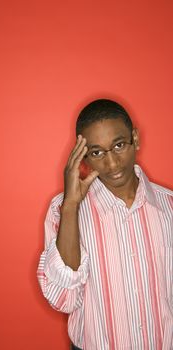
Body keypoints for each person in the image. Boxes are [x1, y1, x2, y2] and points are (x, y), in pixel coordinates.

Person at [37, 99, 173, 350]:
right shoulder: (62, 210)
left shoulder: (170, 207)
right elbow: (63, 299)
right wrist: (71, 207)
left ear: (135, 138)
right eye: (97, 152)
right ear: (83, 157)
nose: (112, 164)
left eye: (119, 145)